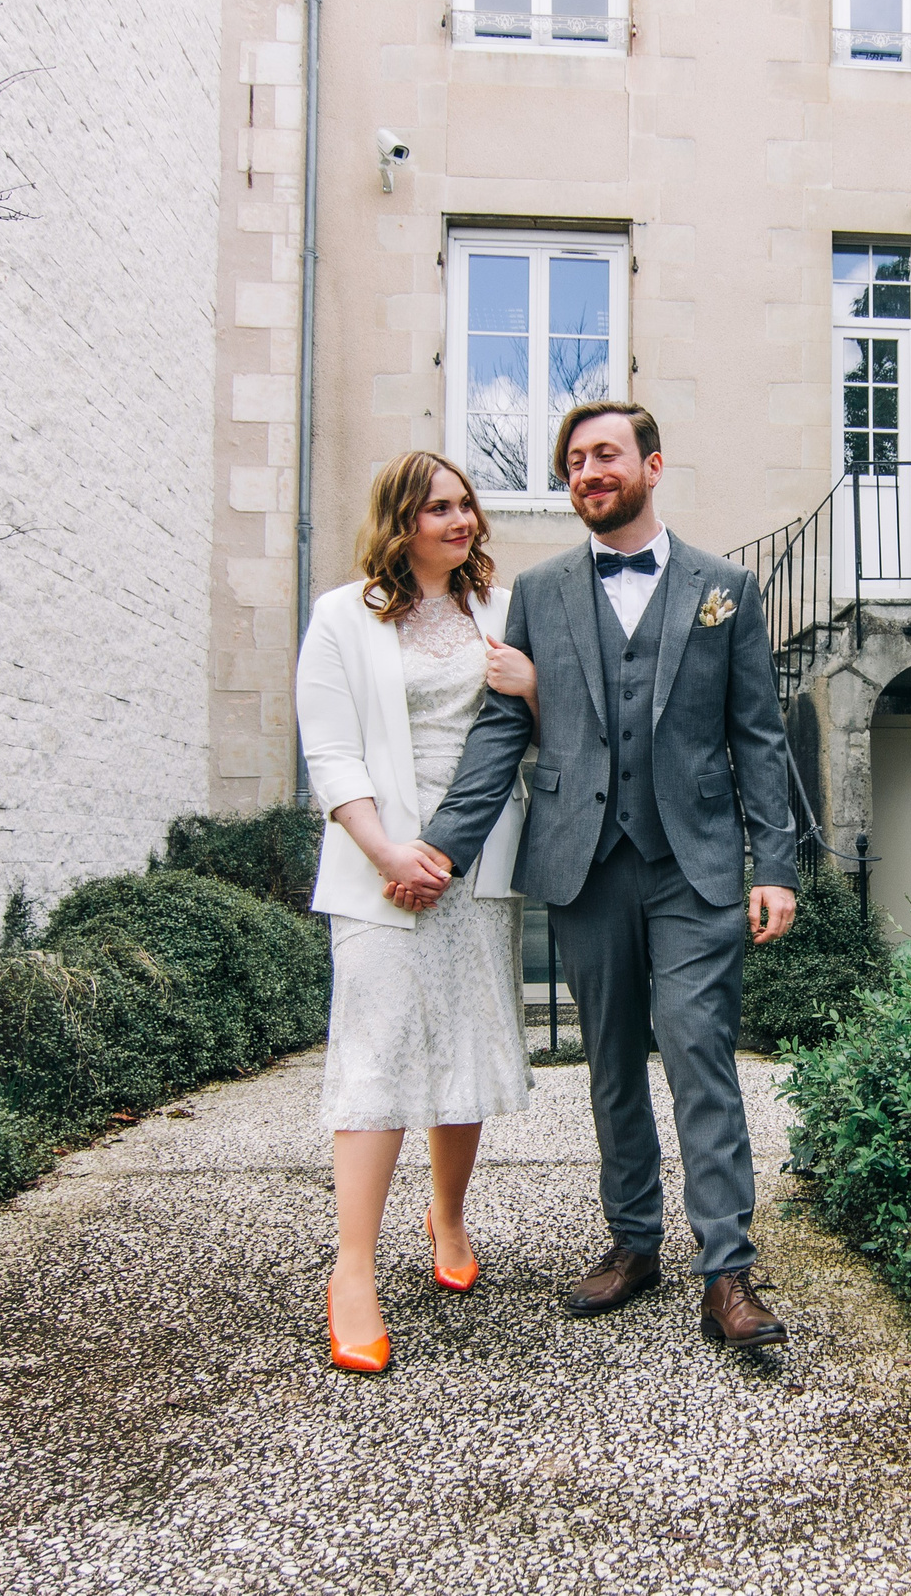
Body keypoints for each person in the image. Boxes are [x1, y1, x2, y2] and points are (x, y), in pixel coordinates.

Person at [386, 400, 800, 1350]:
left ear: (653, 465)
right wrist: (443, 846)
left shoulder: (725, 587)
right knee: (611, 1063)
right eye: (573, 460)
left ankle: (727, 1271)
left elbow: (758, 736)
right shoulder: (538, 593)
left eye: (606, 454)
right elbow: (501, 732)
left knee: (699, 1054)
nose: (588, 471)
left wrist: (773, 863)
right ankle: (634, 1242)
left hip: (693, 865)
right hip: (583, 861)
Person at [294, 450, 538, 1373]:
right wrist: (389, 851)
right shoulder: (341, 616)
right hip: (380, 864)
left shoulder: (503, 612)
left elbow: (549, 725)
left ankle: (448, 1214)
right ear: (399, 520)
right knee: (378, 1051)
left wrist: (534, 686)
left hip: (478, 861)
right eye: (438, 507)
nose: (460, 518)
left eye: (465, 503)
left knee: (462, 1043)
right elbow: (330, 751)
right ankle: (352, 1269)